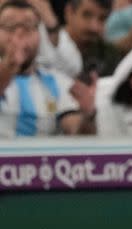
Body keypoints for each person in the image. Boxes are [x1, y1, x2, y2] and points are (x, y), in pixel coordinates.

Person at [0, 0, 97, 136]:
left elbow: (79, 137)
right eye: (10, 26)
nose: (19, 34)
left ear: (40, 35)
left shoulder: (57, 82)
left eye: (28, 26)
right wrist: (9, 66)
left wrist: (88, 115)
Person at [38, 0, 123, 79]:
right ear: (69, 12)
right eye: (87, 15)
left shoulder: (109, 56)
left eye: (102, 18)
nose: (94, 27)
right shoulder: (43, 45)